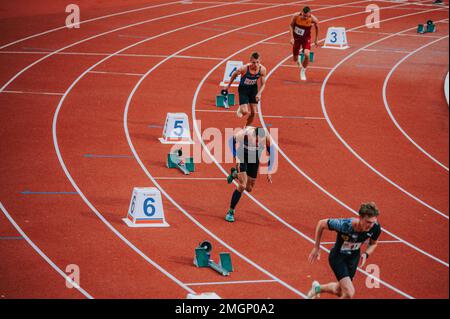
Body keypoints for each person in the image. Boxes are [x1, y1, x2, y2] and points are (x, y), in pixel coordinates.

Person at [307, 202, 382, 299]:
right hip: (338, 257)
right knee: (349, 293)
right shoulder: (344, 225)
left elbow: (373, 243)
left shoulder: (375, 228)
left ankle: (317, 288)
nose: (370, 225)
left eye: (373, 222)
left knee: (339, 291)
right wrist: (316, 247)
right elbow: (321, 223)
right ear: (360, 218)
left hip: (353, 259)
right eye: (368, 222)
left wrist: (366, 254)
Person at [225, 126, 272, 222]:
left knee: (249, 188)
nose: (258, 142)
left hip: (254, 159)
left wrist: (269, 170)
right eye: (257, 139)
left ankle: (235, 174)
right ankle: (231, 211)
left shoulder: (266, 136)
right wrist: (235, 156)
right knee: (242, 185)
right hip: (242, 155)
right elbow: (231, 141)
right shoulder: (245, 133)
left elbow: (271, 152)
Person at [225, 52, 267, 127]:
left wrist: (259, 93)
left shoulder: (262, 70)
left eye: (258, 62)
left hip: (253, 89)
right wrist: (228, 86)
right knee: (245, 112)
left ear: (260, 61)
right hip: (243, 89)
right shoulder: (244, 68)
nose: (256, 64)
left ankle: (246, 128)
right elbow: (234, 75)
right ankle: (241, 108)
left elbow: (263, 84)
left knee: (254, 112)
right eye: (254, 62)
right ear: (250, 61)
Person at [290, 6, 319, 81]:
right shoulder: (296, 16)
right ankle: (298, 58)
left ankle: (303, 71)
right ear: (301, 12)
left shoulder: (313, 19)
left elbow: (317, 28)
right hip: (296, 39)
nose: (305, 17)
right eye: (303, 15)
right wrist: (292, 37)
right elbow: (290, 25)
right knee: (295, 59)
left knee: (307, 54)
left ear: (310, 14)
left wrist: (316, 39)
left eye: (306, 16)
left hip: (306, 39)